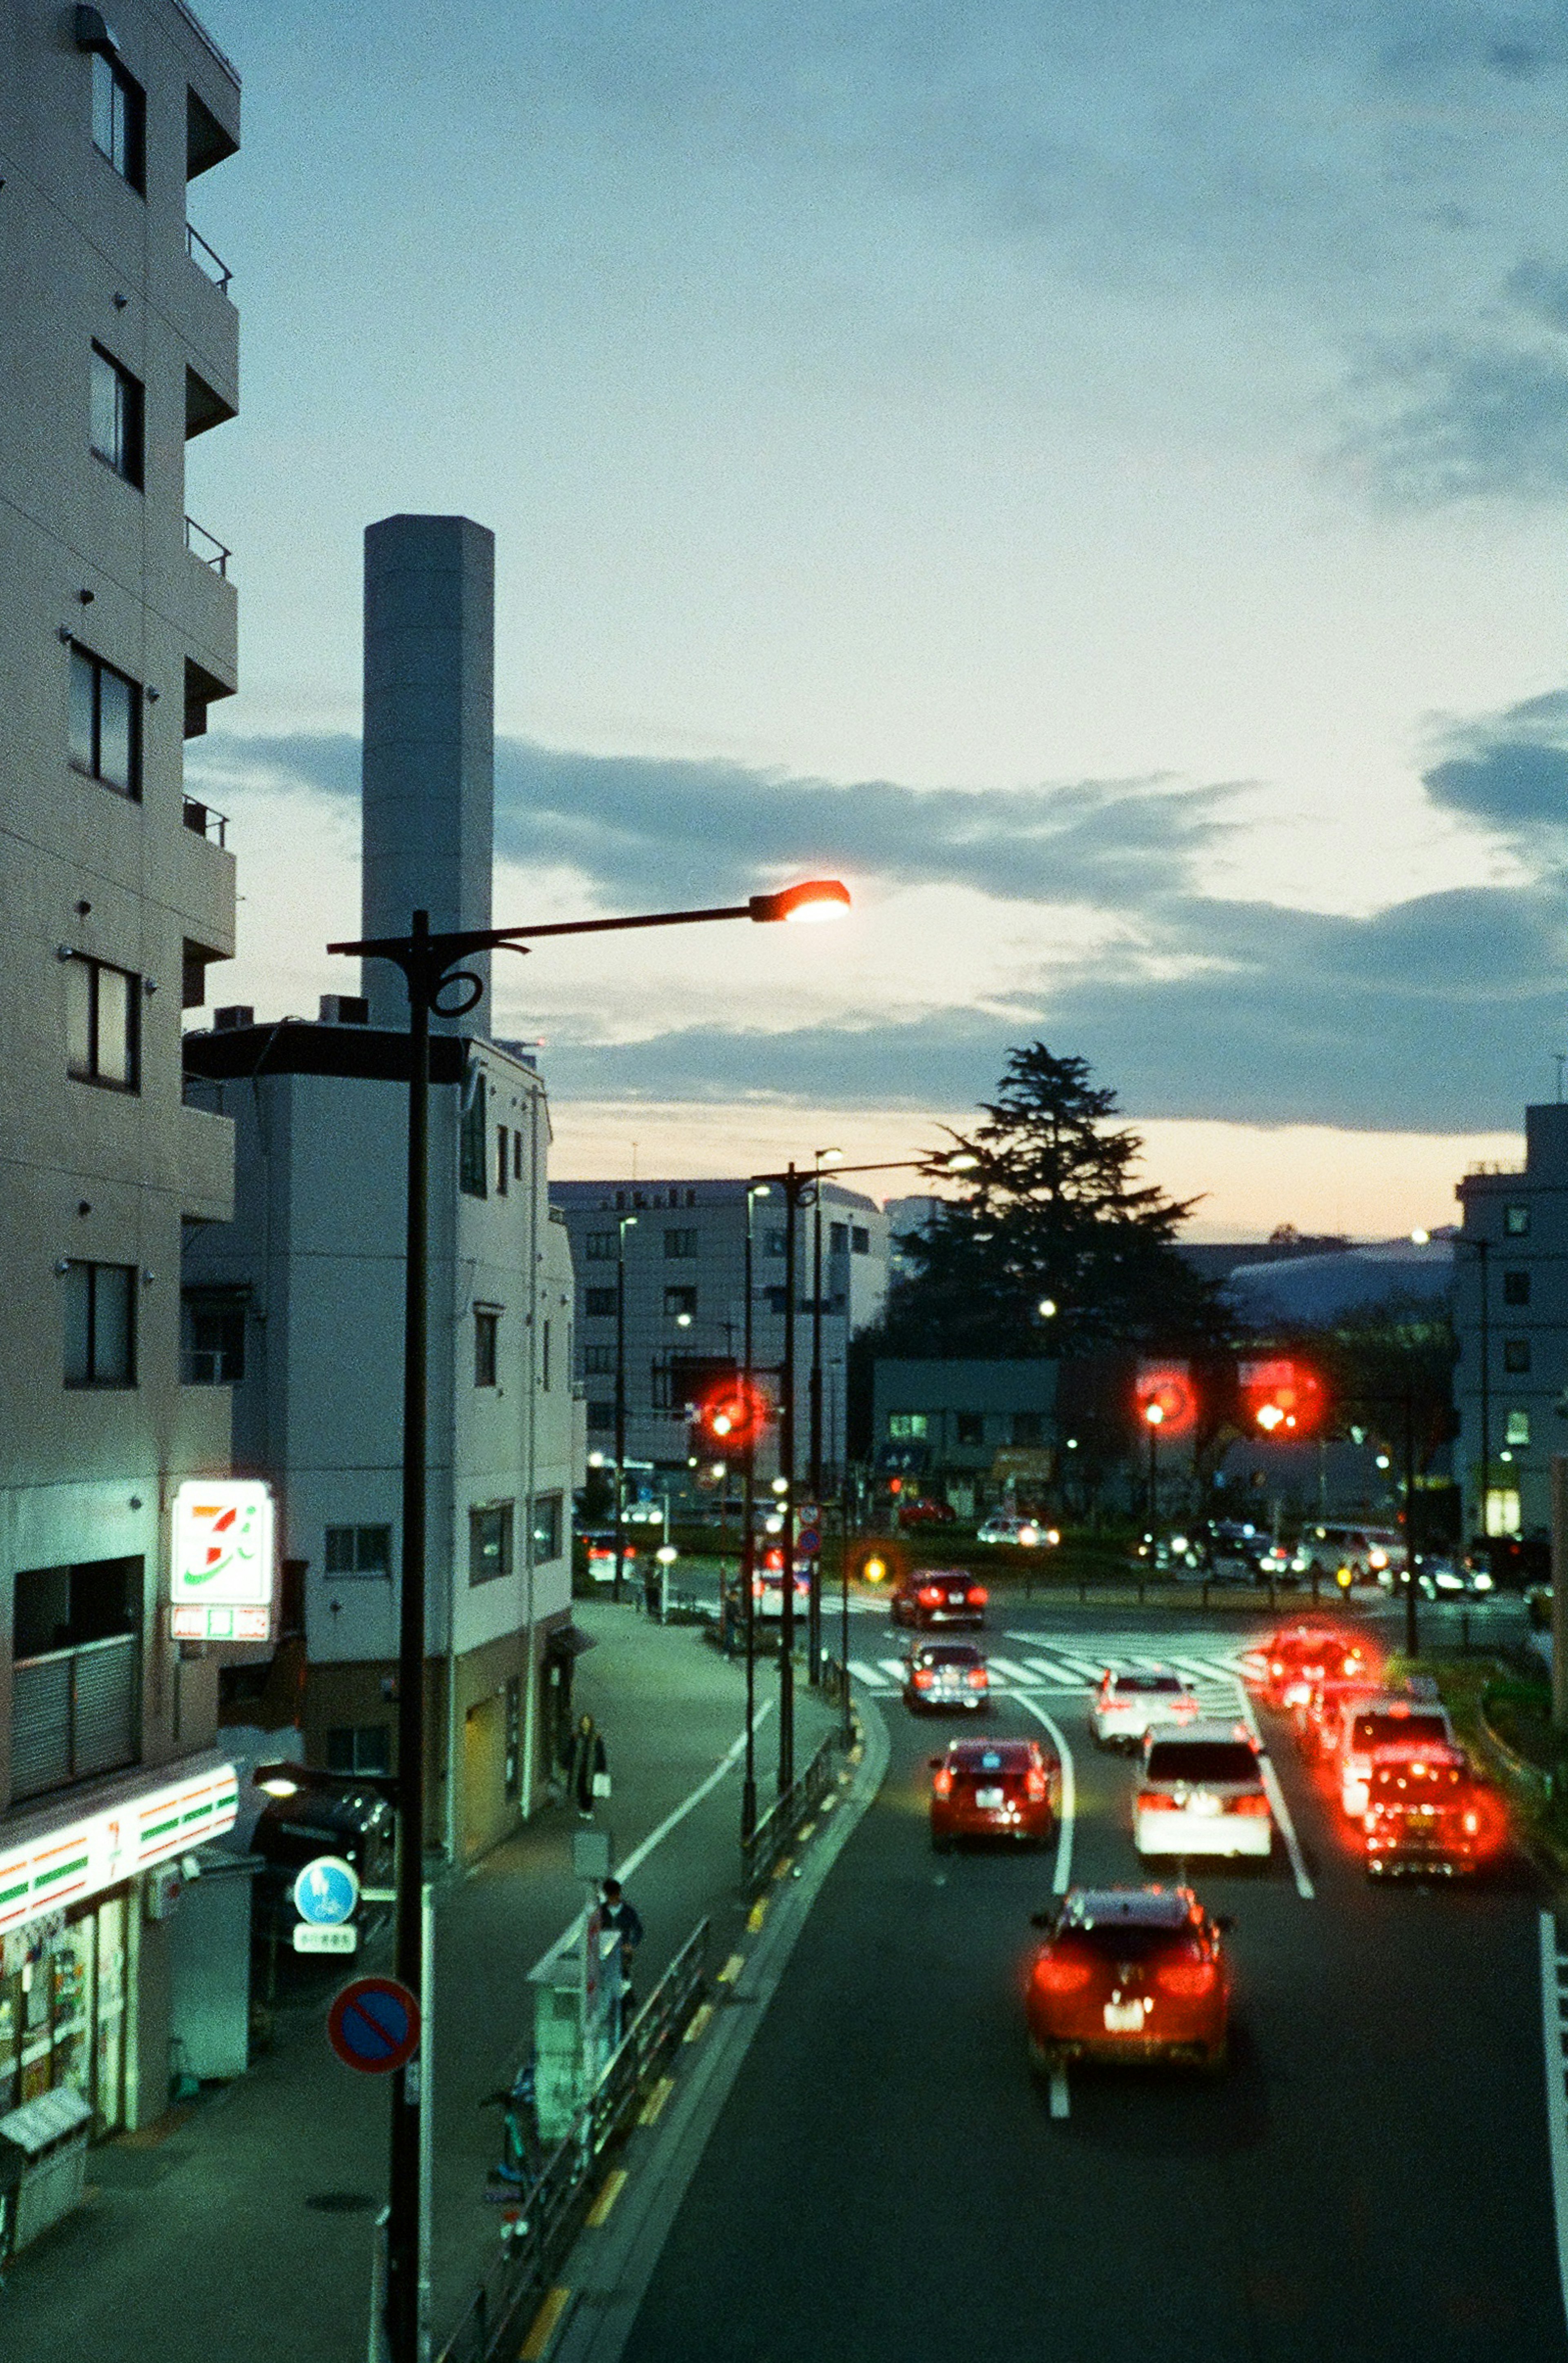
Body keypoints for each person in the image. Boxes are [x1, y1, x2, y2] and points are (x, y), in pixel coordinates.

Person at [600, 1877, 644, 2027]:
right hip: (605, 1957)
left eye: (615, 1895)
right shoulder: (601, 1912)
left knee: (623, 1979)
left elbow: (638, 1930)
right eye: (610, 1896)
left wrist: (632, 1945)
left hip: (623, 1956)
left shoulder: (628, 1912)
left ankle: (625, 2008)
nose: (613, 1899)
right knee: (607, 1983)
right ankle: (613, 2010)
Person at [569, 1712, 608, 1820]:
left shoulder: (596, 1738)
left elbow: (601, 1753)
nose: (585, 1725)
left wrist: (602, 1768)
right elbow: (571, 1751)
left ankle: (588, 1809)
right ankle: (582, 1808)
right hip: (580, 1768)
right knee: (580, 1789)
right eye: (584, 1722)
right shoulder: (576, 1737)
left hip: (591, 1768)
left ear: (591, 1724)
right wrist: (569, 1763)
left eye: (587, 1722)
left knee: (589, 1790)